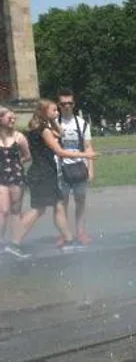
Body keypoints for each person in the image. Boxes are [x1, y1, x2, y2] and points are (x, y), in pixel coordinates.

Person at [5, 100, 96, 258]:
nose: (58, 113)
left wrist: (53, 120)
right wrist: (86, 155)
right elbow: (60, 151)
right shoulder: (44, 130)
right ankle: (14, 243)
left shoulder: (40, 127)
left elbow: (61, 134)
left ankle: (68, 241)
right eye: (54, 111)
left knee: (59, 206)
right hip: (43, 174)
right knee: (37, 210)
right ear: (43, 112)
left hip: (44, 173)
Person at [56, 89, 95, 246]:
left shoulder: (82, 123)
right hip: (61, 168)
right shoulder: (54, 123)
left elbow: (88, 147)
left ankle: (80, 232)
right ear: (59, 105)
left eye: (69, 103)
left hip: (79, 166)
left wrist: (91, 169)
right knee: (62, 203)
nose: (66, 106)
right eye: (63, 104)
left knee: (80, 201)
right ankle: (65, 233)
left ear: (74, 104)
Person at [0, 106, 30, 249]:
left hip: (16, 177)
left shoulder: (19, 137)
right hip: (1, 178)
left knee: (15, 211)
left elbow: (27, 156)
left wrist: (17, 164)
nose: (13, 120)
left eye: (14, 117)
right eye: (9, 117)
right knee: (3, 210)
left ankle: (15, 243)